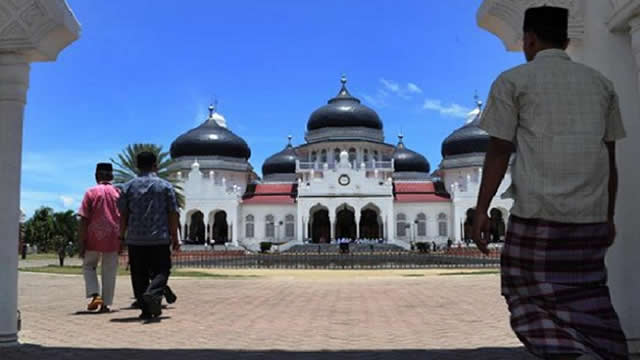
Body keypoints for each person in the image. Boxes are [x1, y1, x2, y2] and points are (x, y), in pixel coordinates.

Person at [472, 6, 629, 359]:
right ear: (568, 39)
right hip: (589, 217)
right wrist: (608, 216)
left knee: (526, 297)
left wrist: (481, 210)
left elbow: (499, 150)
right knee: (590, 297)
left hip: (538, 216)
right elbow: (610, 160)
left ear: (529, 39)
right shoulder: (601, 84)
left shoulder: (513, 81)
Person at [119, 152, 180, 320]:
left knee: (139, 274)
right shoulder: (165, 186)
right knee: (162, 270)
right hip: (159, 237)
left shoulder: (128, 187)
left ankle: (146, 310)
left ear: (137, 166)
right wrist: (175, 237)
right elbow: (173, 213)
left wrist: (121, 237)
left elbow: (123, 214)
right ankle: (153, 293)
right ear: (156, 165)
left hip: (135, 238)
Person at [78, 163, 121, 313]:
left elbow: (83, 218)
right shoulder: (118, 193)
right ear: (112, 176)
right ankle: (105, 304)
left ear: (96, 176)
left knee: (89, 266)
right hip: (114, 237)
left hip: (93, 237)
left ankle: (95, 294)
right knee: (109, 270)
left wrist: (81, 240)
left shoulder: (91, 192)